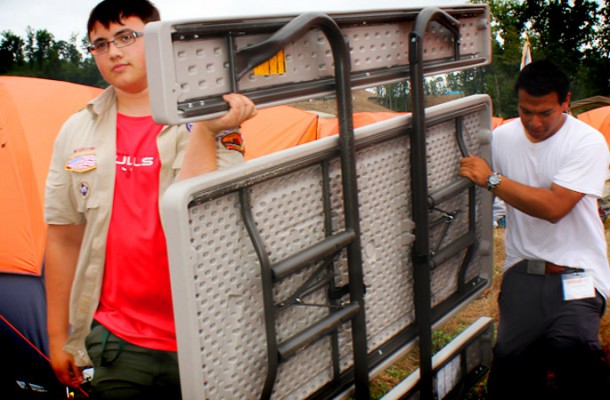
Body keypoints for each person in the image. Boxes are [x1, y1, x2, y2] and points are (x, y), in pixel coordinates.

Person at [43, 0, 256, 398]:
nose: (113, 52)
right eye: (100, 44)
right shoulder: (75, 129)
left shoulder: (210, 115)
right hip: (119, 342)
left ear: (160, 43)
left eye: (126, 37)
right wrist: (58, 338)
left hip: (206, 334)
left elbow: (207, 215)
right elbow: (62, 236)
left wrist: (207, 133)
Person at [459, 59, 610, 399]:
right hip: (522, 271)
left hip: (578, 273)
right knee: (510, 368)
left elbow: (554, 208)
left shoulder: (588, 142)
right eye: (526, 111)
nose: (535, 122)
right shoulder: (502, 137)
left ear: (566, 102)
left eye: (545, 113)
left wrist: (492, 179)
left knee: (577, 350)